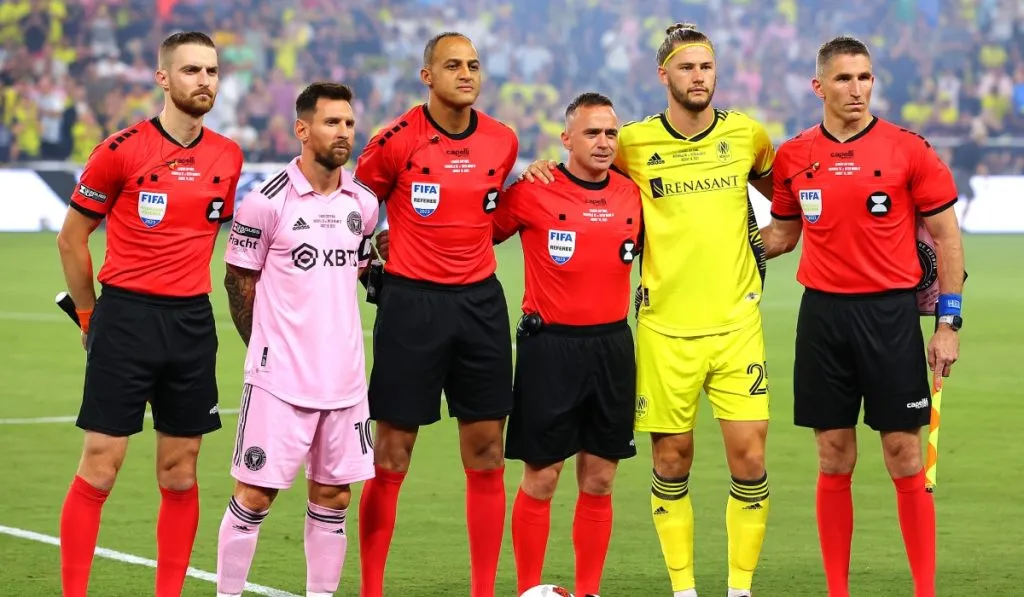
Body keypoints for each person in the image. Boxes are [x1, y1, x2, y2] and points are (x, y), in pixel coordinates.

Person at [521, 23, 776, 597]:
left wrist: (771, 237)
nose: (698, 77)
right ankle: (683, 590)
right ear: (665, 75)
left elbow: (782, 190)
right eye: (687, 68)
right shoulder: (632, 144)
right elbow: (585, 166)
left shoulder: (747, 135)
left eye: (706, 67)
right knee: (672, 458)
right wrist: (541, 166)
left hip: (738, 325)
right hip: (664, 329)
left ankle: (741, 588)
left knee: (751, 456)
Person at [761, 36, 963, 597]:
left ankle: (925, 591)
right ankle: (838, 591)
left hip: (890, 317)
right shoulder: (795, 155)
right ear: (819, 85)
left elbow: (947, 239)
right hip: (822, 318)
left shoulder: (908, 149)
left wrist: (949, 324)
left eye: (865, 77)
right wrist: (718, 244)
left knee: (902, 453)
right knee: (833, 455)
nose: (857, 89)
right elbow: (782, 234)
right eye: (845, 79)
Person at [55, 31, 244, 597]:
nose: (203, 81)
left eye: (211, 71)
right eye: (191, 71)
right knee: (101, 464)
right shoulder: (121, 150)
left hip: (192, 323)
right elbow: (71, 240)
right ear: (163, 78)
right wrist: (90, 317)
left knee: (180, 471)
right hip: (127, 319)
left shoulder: (228, 156)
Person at [353, 31, 520, 597]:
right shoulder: (394, 140)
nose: (466, 74)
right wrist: (372, 245)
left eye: (473, 65)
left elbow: (490, 215)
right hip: (410, 306)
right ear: (428, 77)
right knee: (392, 454)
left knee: (488, 452)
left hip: (480, 305)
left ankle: (482, 591)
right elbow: (356, 207)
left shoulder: (502, 140)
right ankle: (372, 588)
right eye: (453, 66)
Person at [215, 82, 379, 597]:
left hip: (346, 379)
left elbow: (358, 272)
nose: (344, 133)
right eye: (332, 123)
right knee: (256, 494)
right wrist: (264, 353)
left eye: (349, 123)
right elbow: (237, 281)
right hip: (280, 379)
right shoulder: (266, 202)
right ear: (302, 129)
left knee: (334, 496)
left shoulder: (364, 203)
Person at [495, 92, 642, 597]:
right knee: (542, 477)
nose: (603, 142)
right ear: (566, 140)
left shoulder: (631, 195)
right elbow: (478, 234)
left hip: (612, 348)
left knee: (600, 479)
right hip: (549, 349)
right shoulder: (534, 190)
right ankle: (529, 591)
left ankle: (588, 591)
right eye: (592, 133)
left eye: (610, 133)